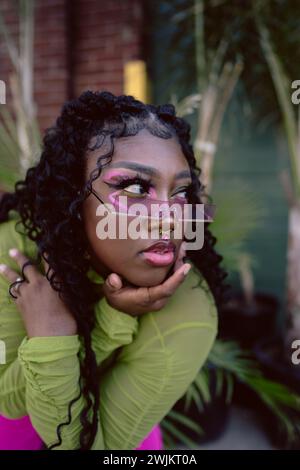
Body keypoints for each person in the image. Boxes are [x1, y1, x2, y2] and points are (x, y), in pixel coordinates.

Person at [0, 90, 228, 450]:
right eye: (136, 187)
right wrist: (59, 336)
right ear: (73, 197)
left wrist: (65, 333)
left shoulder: (190, 313)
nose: (170, 219)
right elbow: (8, 401)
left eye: (181, 191)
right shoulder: (13, 255)